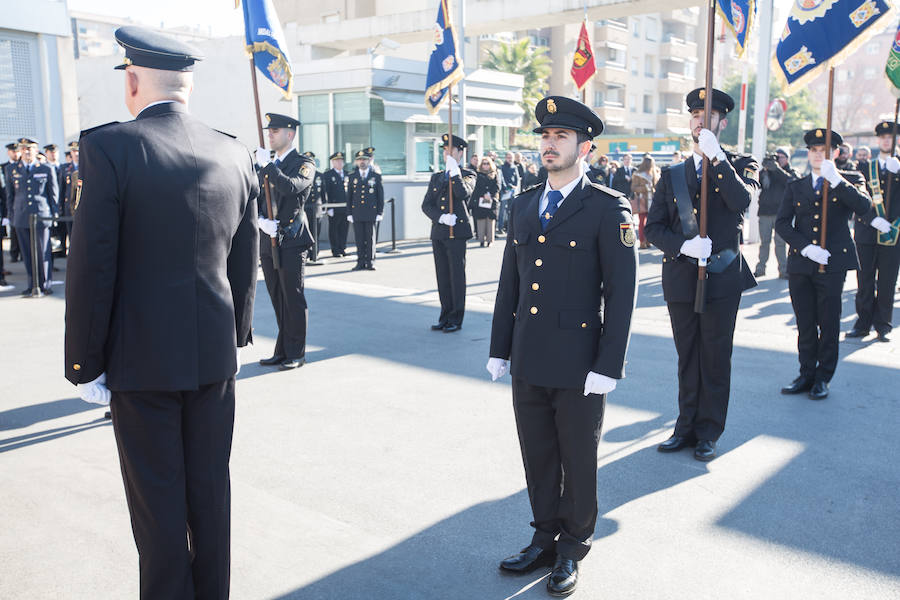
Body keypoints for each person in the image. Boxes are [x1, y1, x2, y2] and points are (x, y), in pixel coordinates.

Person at [63, 26, 259, 599]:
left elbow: (93, 264)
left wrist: (84, 362)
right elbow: (244, 260)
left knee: (159, 511)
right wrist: (236, 336)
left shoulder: (110, 148)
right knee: (211, 497)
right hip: (213, 361)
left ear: (132, 81)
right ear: (187, 86)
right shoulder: (234, 151)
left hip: (141, 363)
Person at [487, 96, 637, 598]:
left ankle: (572, 547)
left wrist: (608, 364)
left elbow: (621, 294)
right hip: (529, 354)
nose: (549, 145)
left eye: (561, 137)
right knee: (538, 455)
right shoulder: (524, 203)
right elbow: (510, 283)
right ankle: (543, 538)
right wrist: (500, 348)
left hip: (579, 362)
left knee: (577, 458)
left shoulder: (606, 208)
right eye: (545, 136)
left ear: (585, 147)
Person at [645, 87, 759, 462]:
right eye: (695, 115)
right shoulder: (672, 174)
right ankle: (685, 427)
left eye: (708, 115)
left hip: (723, 277)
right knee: (687, 357)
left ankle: (709, 431)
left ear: (721, 123)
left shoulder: (742, 165)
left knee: (715, 357)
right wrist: (683, 246)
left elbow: (741, 202)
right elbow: (654, 228)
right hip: (681, 277)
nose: (700, 121)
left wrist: (717, 158)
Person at [776, 128, 871, 399]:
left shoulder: (850, 179)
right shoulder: (796, 185)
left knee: (828, 323)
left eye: (825, 151)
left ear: (836, 153)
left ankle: (823, 377)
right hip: (802, 263)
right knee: (805, 322)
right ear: (808, 154)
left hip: (832, 264)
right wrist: (806, 248)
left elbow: (864, 207)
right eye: (814, 151)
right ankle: (806, 373)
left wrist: (837, 180)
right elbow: (782, 223)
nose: (819, 155)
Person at [256, 113, 315, 370]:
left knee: (293, 298)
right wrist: (260, 220)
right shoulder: (267, 164)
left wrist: (268, 167)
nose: (269, 135)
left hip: (291, 239)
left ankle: (296, 353)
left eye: (275, 131)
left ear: (290, 134)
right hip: (268, 238)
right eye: (268, 131)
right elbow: (257, 196)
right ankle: (282, 350)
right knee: (277, 297)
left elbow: (291, 187)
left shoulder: (304, 163)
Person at [848, 121, 900, 342]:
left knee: (887, 282)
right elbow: (855, 198)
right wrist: (872, 219)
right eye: (883, 137)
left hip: (893, 234)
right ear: (878, 140)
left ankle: (883, 325)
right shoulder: (863, 168)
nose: (887, 141)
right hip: (867, 233)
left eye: (891, 137)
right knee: (865, 281)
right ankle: (863, 323)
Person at [421, 134, 476, 332]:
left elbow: (463, 193)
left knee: (456, 276)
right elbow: (426, 205)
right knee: (443, 276)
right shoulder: (437, 177)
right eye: (445, 150)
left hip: (457, 232)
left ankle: (456, 318)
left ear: (461, 152)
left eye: (451, 150)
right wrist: (441, 217)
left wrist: (455, 174)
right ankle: (444, 316)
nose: (447, 153)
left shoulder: (468, 174)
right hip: (440, 231)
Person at [9, 138, 57, 295]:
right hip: (21, 216)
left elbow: (53, 193)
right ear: (20, 151)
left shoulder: (46, 168)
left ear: (36, 151)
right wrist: (11, 216)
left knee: (43, 252)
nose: (27, 152)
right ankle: (32, 284)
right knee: (27, 253)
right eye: (24, 149)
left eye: (30, 149)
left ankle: (45, 284)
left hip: (41, 215)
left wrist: (54, 214)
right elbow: (10, 196)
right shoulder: (12, 169)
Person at [757, 147, 798, 278]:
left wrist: (777, 169)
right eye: (776, 157)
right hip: (765, 212)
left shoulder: (791, 171)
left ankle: (783, 270)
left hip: (782, 213)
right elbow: (758, 183)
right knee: (764, 242)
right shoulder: (767, 171)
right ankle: (760, 269)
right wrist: (764, 169)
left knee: (781, 243)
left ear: (787, 159)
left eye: (780, 157)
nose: (778, 160)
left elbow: (791, 182)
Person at [347, 148, 384, 270]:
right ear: (356, 162)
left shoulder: (376, 176)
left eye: (364, 159)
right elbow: (349, 196)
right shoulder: (352, 176)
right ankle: (360, 262)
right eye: (359, 160)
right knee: (359, 239)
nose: (362, 162)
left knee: (370, 238)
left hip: (371, 212)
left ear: (369, 161)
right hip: (357, 212)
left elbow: (380, 196)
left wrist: (380, 212)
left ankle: (370, 261)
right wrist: (349, 213)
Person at [470, 154, 500, 247]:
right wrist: (483, 194)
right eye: (484, 163)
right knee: (481, 221)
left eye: (487, 163)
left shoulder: (494, 174)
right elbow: (476, 188)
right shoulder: (478, 174)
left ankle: (490, 240)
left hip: (491, 200)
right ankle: (481, 240)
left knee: (490, 221)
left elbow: (497, 186)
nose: (485, 165)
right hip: (481, 200)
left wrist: (490, 194)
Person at [323, 151, 349, 257]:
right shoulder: (328, 175)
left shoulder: (347, 174)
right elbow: (326, 192)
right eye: (337, 161)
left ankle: (342, 248)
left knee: (344, 229)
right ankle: (335, 250)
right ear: (333, 162)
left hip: (345, 207)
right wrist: (328, 208)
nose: (339, 163)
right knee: (334, 229)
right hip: (334, 207)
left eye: (341, 161)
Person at [302, 151, 325, 264]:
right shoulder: (302, 174)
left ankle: (315, 254)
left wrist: (324, 207)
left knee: (316, 233)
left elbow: (323, 193)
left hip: (317, 209)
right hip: (305, 208)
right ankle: (306, 254)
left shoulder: (319, 175)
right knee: (306, 233)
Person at [630, 154, 657, 249]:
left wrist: (653, 189)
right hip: (642, 200)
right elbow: (633, 188)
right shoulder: (638, 174)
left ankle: (648, 240)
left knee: (651, 222)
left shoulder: (654, 173)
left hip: (653, 200)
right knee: (642, 222)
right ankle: (642, 241)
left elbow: (657, 186)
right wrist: (645, 188)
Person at [3, 142, 22, 262]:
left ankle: (24, 254)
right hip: (9, 202)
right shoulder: (3, 167)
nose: (15, 154)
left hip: (20, 203)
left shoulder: (22, 166)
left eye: (17, 151)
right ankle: (14, 254)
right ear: (8, 152)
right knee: (13, 230)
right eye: (13, 151)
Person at [498, 152, 519, 234]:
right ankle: (500, 228)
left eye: (511, 157)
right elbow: (501, 179)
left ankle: (509, 228)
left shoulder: (514, 167)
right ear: (506, 158)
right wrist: (506, 187)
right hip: (504, 191)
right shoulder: (502, 167)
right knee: (502, 211)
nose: (510, 159)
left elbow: (517, 178)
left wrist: (514, 186)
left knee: (511, 211)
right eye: (508, 157)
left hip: (512, 191)